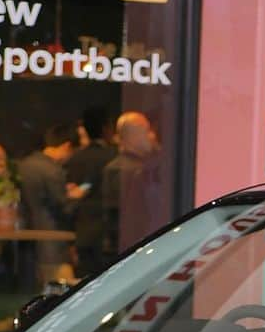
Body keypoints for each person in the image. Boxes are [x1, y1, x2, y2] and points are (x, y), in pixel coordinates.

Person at [89, 110, 161, 275]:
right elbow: (131, 218)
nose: (152, 137)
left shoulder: (133, 168)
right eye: (147, 131)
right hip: (131, 255)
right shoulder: (127, 171)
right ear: (134, 136)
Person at [18, 124, 83, 286]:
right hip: (54, 244)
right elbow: (64, 209)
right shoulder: (53, 170)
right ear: (67, 146)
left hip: (28, 243)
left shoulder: (25, 164)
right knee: (61, 295)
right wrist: (77, 197)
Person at [64, 106, 115, 279]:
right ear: (106, 128)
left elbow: (70, 196)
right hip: (108, 234)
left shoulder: (75, 159)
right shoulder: (113, 157)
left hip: (82, 232)